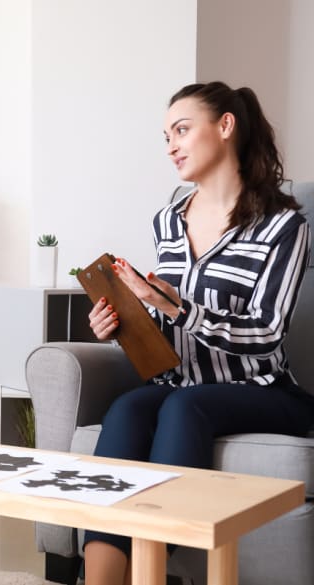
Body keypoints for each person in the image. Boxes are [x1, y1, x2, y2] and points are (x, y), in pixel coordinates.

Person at [82, 81, 314, 584]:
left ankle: (150, 573)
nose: (171, 146)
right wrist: (122, 321)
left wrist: (180, 307)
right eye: (166, 136)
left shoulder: (283, 226)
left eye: (182, 130)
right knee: (128, 407)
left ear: (225, 126)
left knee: (186, 406)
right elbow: (167, 321)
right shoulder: (167, 221)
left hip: (262, 389)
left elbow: (268, 333)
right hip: (180, 382)